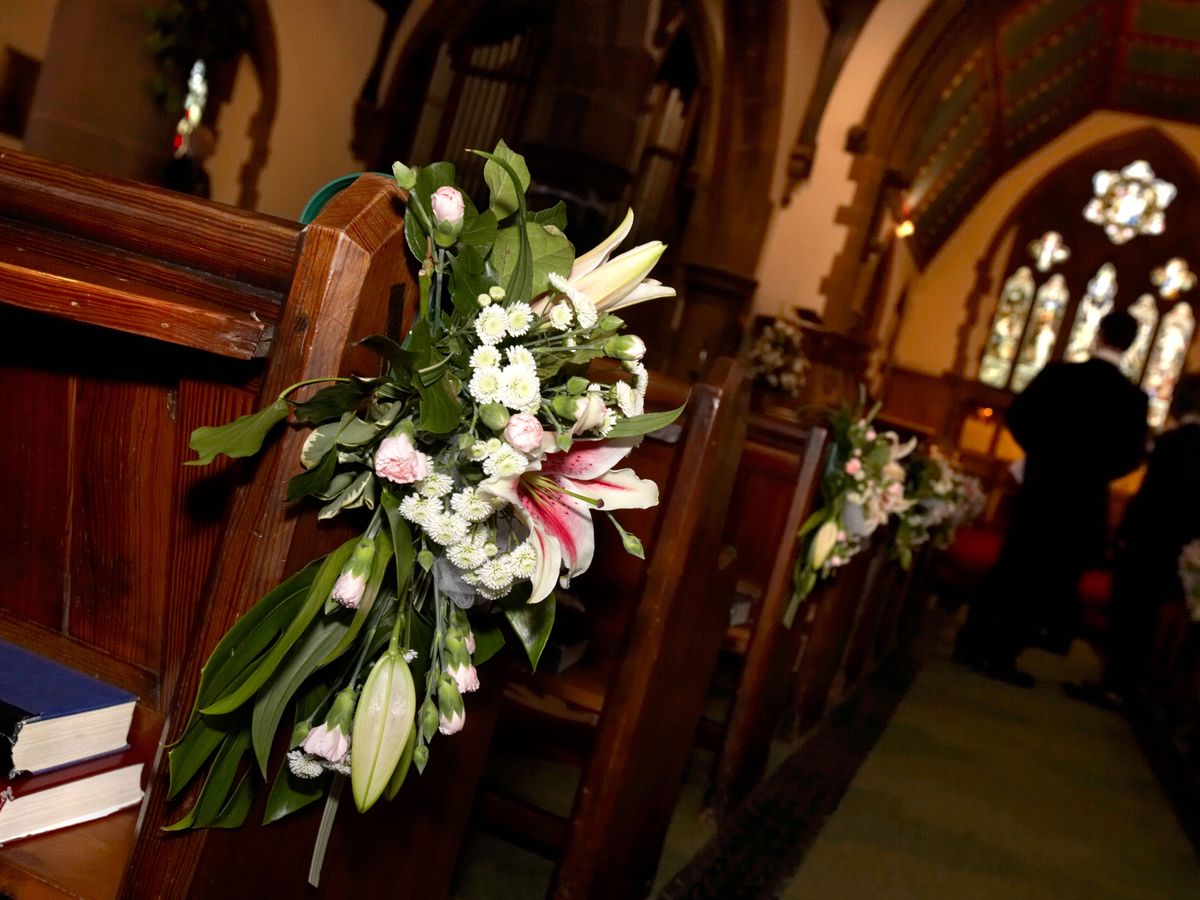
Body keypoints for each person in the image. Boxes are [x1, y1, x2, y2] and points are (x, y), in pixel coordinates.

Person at [955, 311, 1149, 686]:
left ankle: (972, 642)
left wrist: (1044, 455)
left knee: (1012, 567)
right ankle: (1004, 654)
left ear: (1099, 334)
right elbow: (1131, 456)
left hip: (1041, 489)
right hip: (1082, 501)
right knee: (1048, 578)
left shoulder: (1059, 376)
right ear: (1131, 345)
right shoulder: (1132, 400)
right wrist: (1091, 471)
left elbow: (1020, 416)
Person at [1067, 374, 1200, 709]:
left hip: (1148, 545)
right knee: (1146, 618)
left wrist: (1124, 535)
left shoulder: (1173, 443)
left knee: (1129, 616)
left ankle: (1116, 684)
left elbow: (1152, 500)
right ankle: (1132, 683)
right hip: (1176, 547)